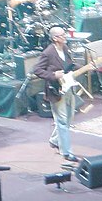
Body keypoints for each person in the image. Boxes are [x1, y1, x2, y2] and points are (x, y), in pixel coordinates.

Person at [33, 26, 82, 162]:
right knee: (61, 121)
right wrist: (53, 75)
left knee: (68, 118)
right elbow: (37, 70)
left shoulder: (65, 49)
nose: (65, 36)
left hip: (68, 86)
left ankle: (54, 140)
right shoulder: (48, 52)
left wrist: (85, 67)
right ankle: (66, 152)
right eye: (62, 35)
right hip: (56, 90)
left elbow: (70, 65)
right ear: (55, 38)